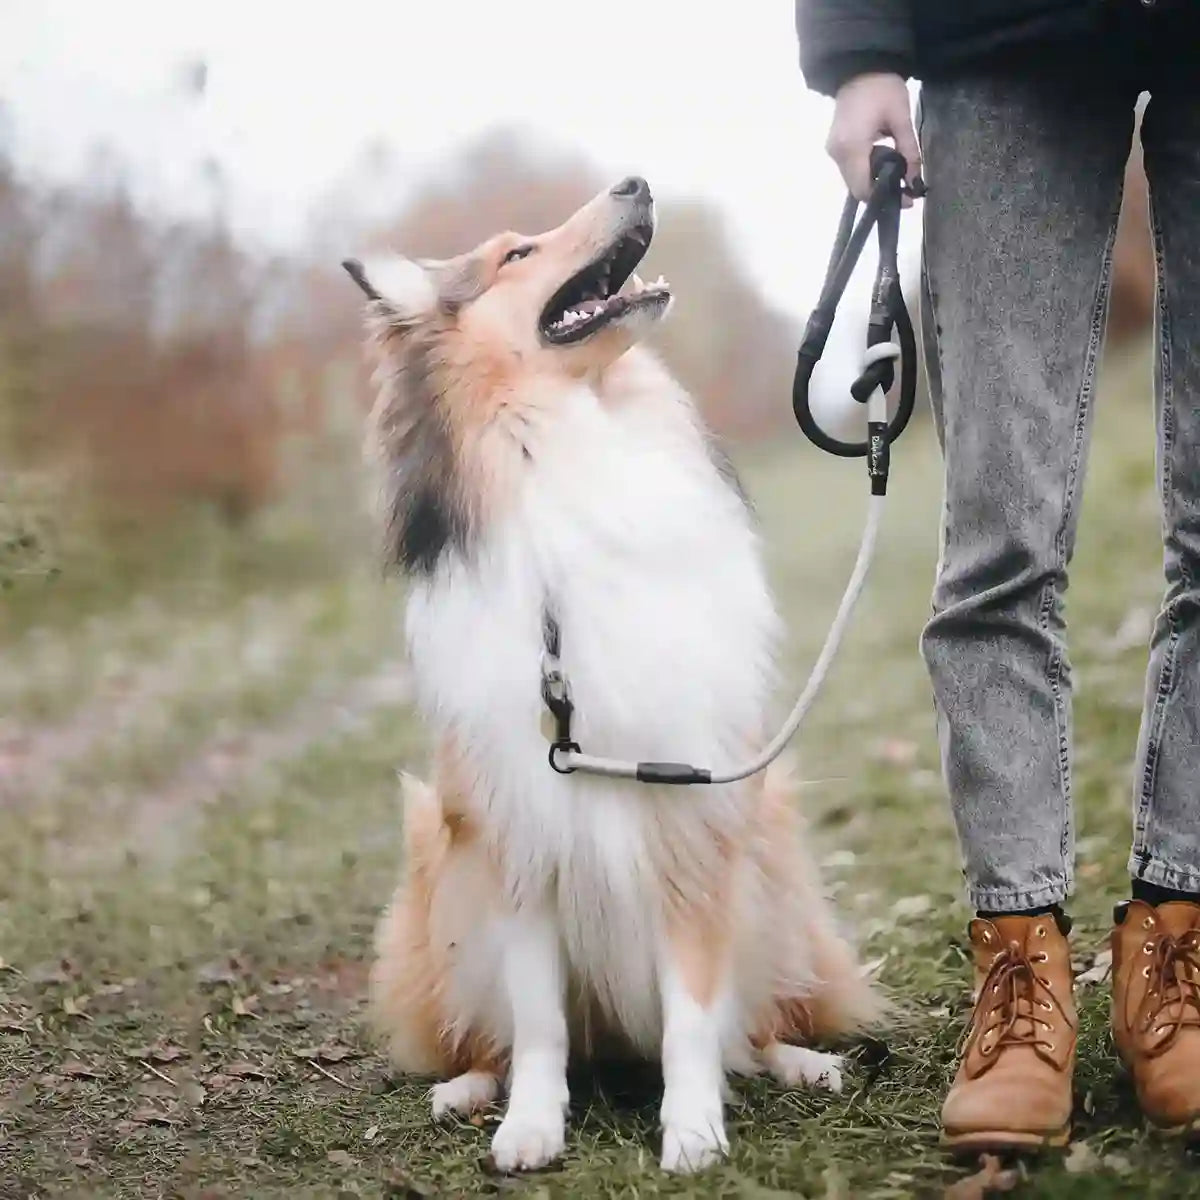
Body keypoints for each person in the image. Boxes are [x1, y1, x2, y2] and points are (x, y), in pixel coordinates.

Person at [794, 0, 1200, 1151]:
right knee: (1000, 548)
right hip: (1004, 34)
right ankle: (1018, 969)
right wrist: (860, 51)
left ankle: (1177, 942)